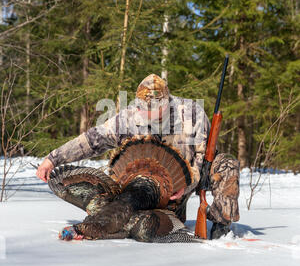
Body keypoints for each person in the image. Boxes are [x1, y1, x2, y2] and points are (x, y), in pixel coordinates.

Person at [36, 74, 240, 239]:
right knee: (124, 220)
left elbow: (201, 160)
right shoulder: (130, 115)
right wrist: (53, 159)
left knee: (226, 163)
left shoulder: (191, 113)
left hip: (176, 195)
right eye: (143, 108)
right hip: (138, 194)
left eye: (154, 109)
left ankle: (221, 224)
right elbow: (92, 140)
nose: (146, 113)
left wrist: (185, 186)